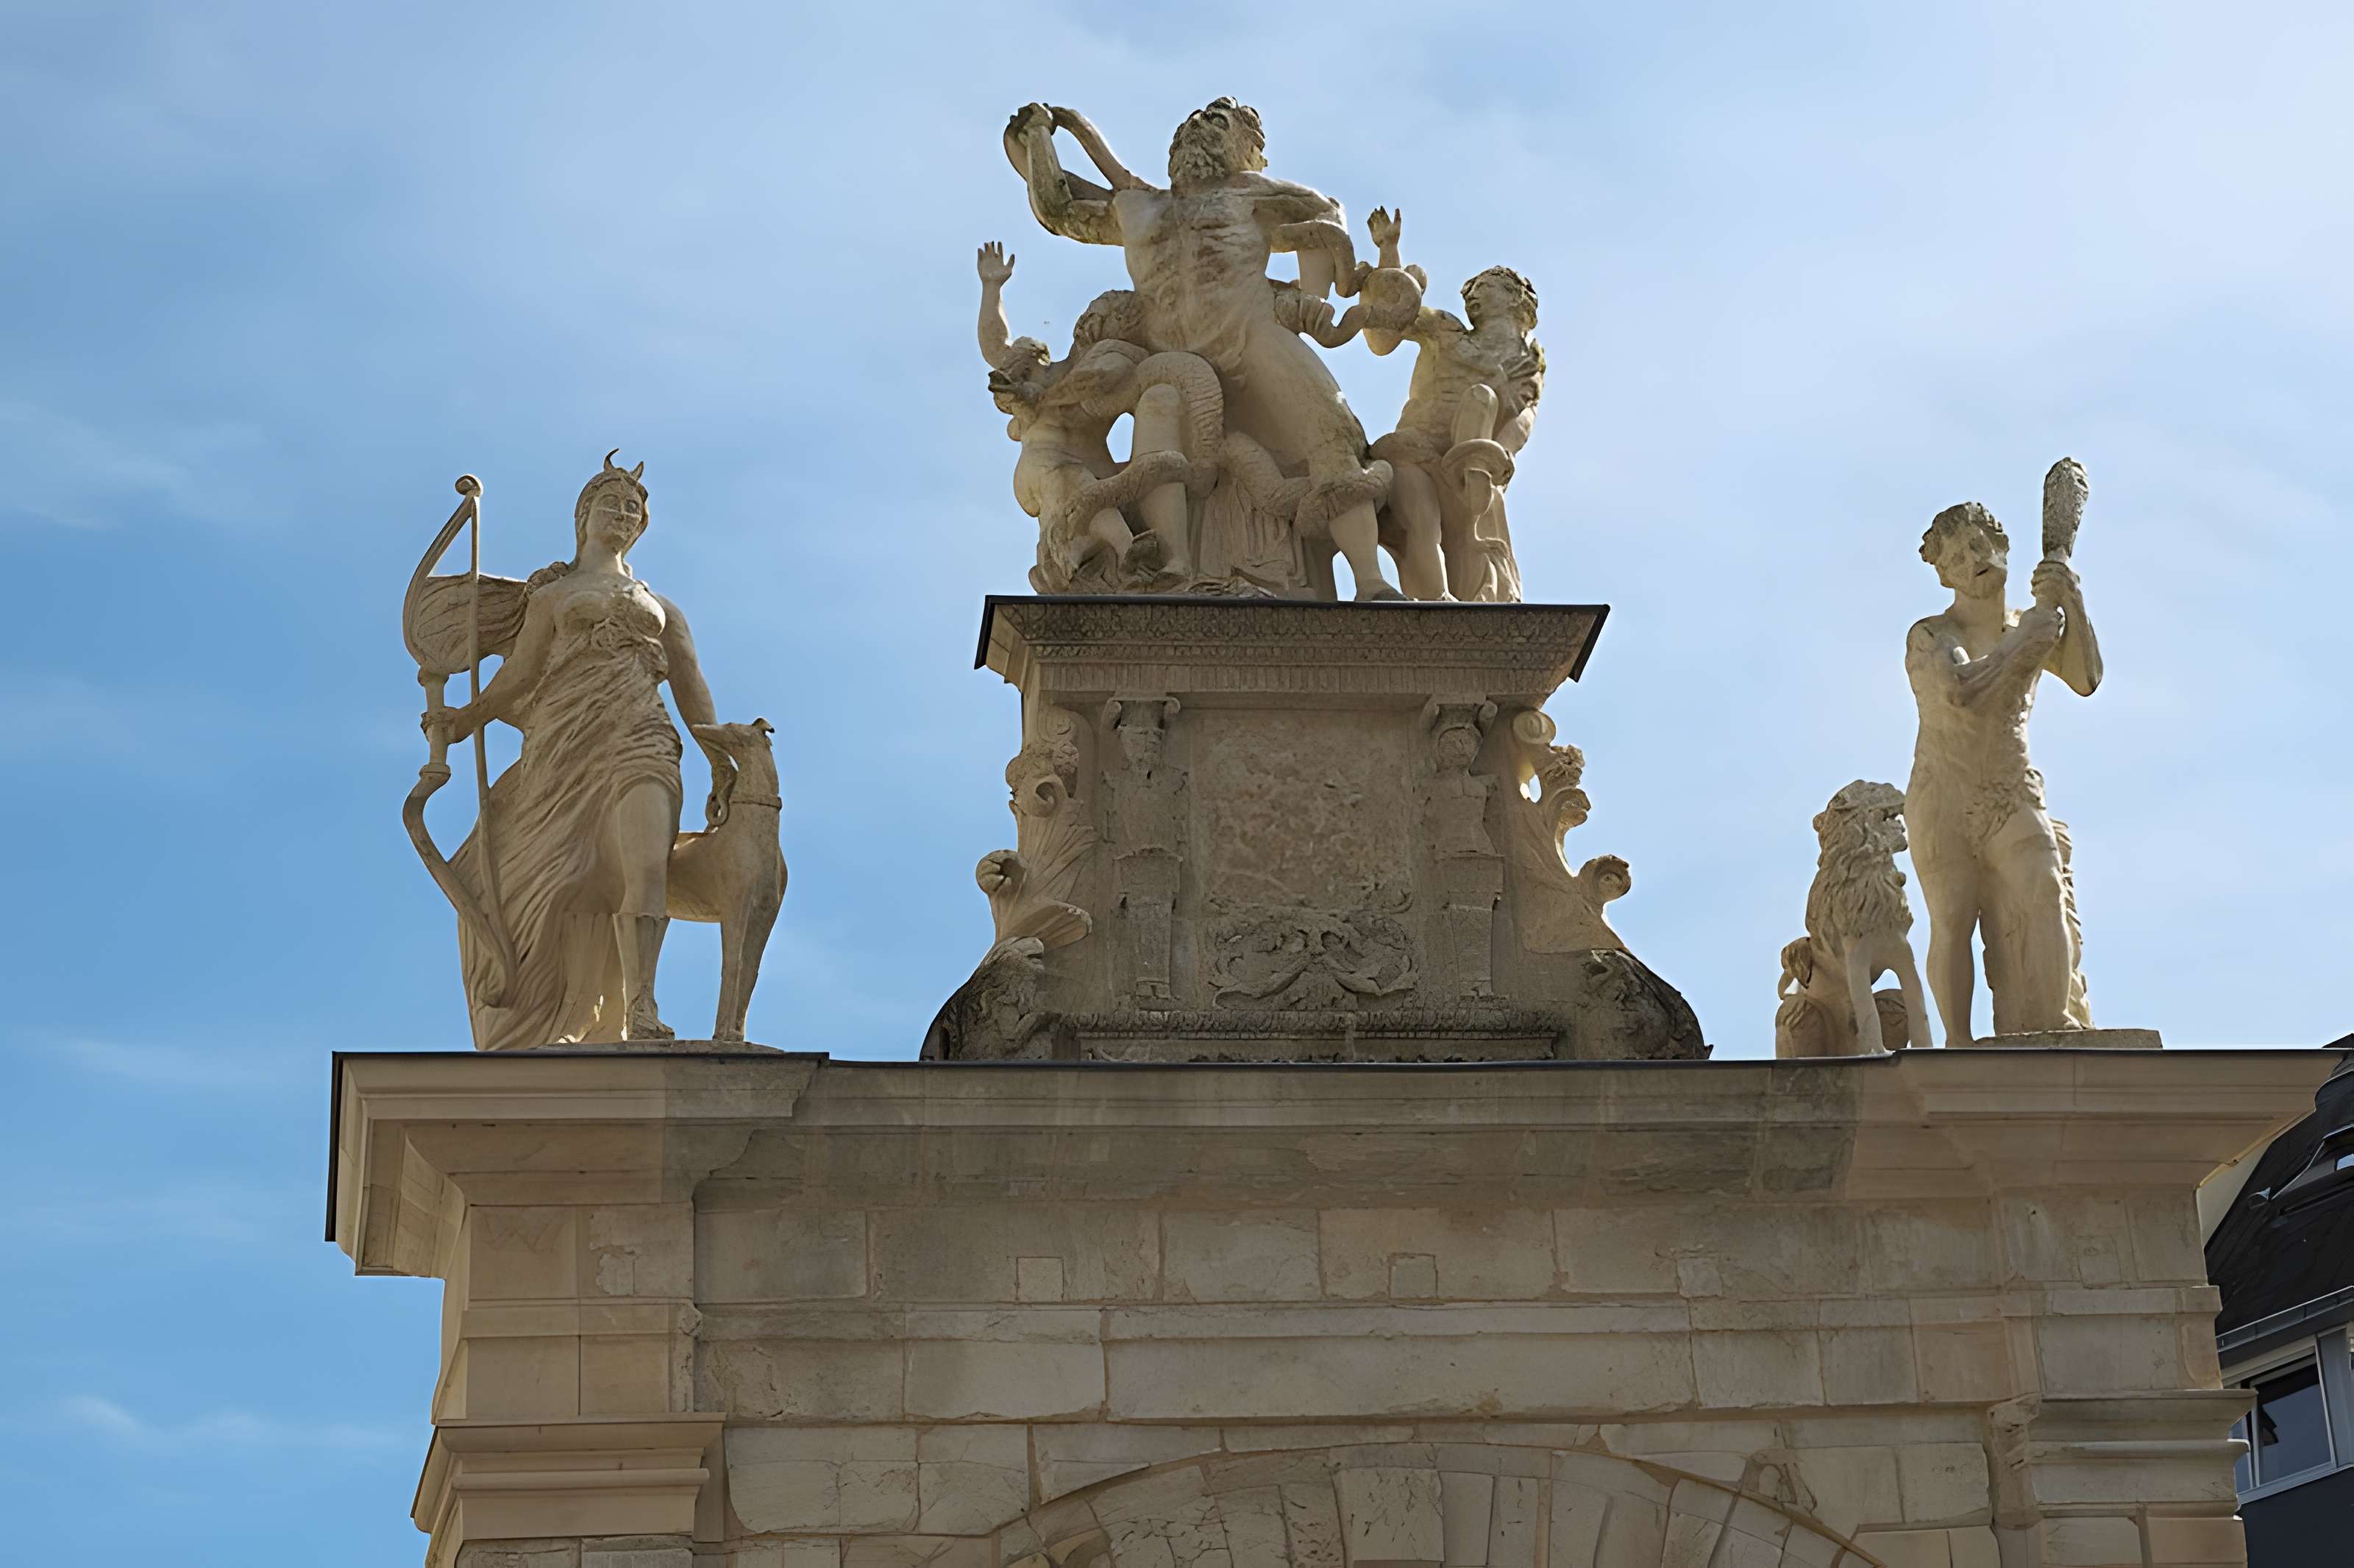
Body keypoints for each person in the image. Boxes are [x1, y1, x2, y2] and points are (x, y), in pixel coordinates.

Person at [1003, 97, 1404, 599]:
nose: (1198, 127)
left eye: (1217, 121)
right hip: (1170, 364)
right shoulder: (1138, 205)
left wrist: (1312, 297)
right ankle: (1162, 566)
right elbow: (1058, 209)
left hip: (1252, 336)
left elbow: (1326, 216)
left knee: (1332, 435)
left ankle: (1371, 582)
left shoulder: (1250, 191)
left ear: (1250, 151)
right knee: (1162, 454)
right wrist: (1038, 138)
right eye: (1191, 122)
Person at [427, 453, 726, 1047]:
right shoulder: (555, 598)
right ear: (583, 516)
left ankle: (641, 1007)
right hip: (564, 750)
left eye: (633, 508)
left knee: (645, 869)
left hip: (643, 736)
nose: (623, 512)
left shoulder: (661, 609)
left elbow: (695, 695)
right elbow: (518, 677)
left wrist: (723, 761)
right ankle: (563, 1011)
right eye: (610, 502)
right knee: (558, 888)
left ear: (641, 527)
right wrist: (464, 718)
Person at [1904, 501, 2102, 1044]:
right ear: (1945, 575)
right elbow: (1962, 693)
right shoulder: (1932, 635)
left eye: (1980, 545)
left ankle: (2054, 1023)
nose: (1975, 561)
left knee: (2044, 887)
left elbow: (2086, 678)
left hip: (2009, 787)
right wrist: (2025, 645)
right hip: (1944, 795)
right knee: (1953, 920)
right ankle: (1959, 1043)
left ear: (2004, 547)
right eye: (1958, 556)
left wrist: (2071, 600)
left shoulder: (2030, 626)